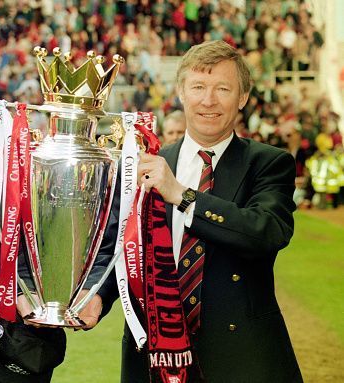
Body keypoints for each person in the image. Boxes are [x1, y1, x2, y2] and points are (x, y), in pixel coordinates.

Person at [93, 40, 302, 382]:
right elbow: (120, 248)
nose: (208, 100)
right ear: (180, 92)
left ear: (243, 97)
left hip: (241, 358)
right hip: (153, 356)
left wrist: (183, 195)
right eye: (198, 87)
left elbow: (267, 232)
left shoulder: (268, 163)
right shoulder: (146, 163)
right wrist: (96, 300)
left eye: (223, 88)